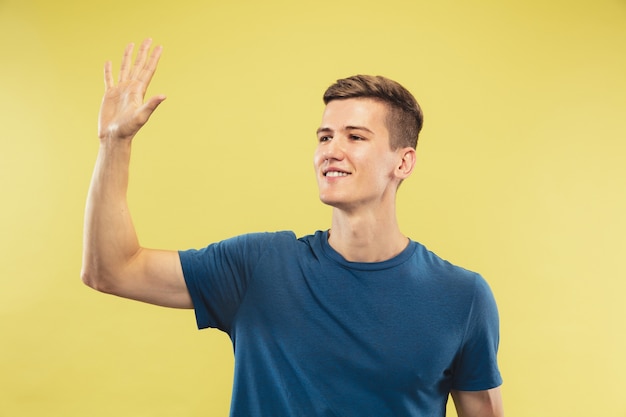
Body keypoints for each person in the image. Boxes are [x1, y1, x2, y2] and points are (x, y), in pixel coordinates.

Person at [82, 38, 503, 417]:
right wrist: (113, 145)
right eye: (324, 137)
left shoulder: (462, 298)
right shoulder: (258, 267)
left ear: (403, 162)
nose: (331, 151)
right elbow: (112, 269)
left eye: (355, 137)